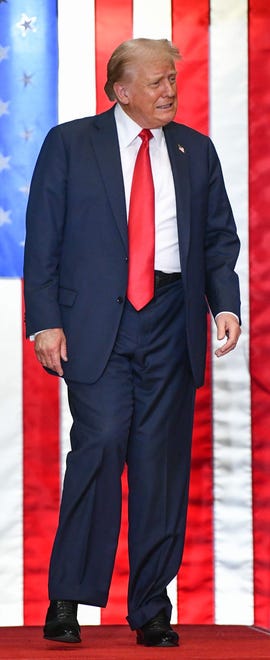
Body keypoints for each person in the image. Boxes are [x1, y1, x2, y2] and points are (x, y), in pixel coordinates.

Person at [23, 38, 241, 648]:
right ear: (121, 91)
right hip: (96, 325)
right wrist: (44, 321)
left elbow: (219, 239)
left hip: (172, 321)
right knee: (100, 444)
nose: (169, 91)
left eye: (172, 80)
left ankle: (149, 607)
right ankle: (67, 598)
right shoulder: (69, 143)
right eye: (157, 82)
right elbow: (41, 239)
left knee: (160, 465)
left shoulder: (196, 151)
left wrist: (224, 303)